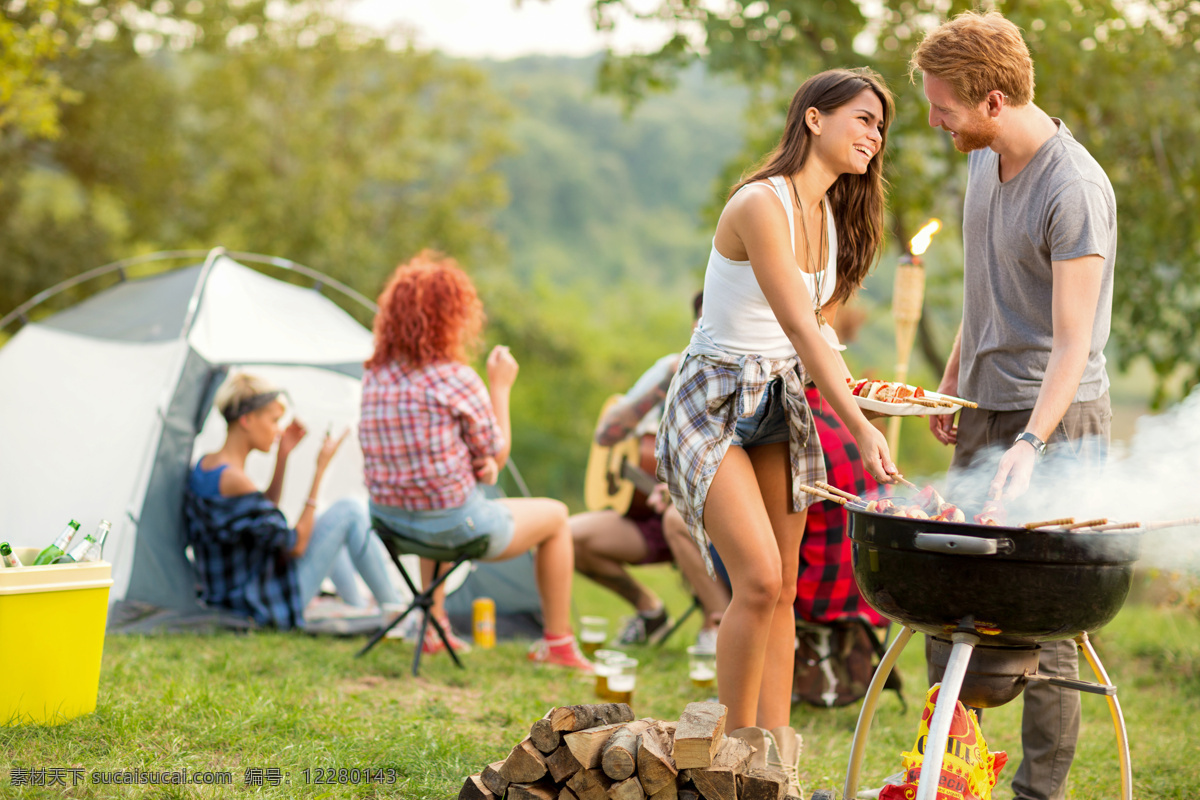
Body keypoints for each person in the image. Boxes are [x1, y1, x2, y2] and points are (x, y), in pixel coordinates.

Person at [655, 68, 899, 797]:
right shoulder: (761, 203)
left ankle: (776, 768)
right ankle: (723, 765)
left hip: (778, 401)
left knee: (784, 589)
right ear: (815, 119)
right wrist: (859, 428)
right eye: (862, 118)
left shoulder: (831, 215)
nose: (873, 136)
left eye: (881, 127)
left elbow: (814, 332)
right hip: (714, 402)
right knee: (756, 579)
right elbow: (796, 322)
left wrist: (866, 392)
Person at [911, 11, 1117, 800]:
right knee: (951, 595)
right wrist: (957, 379)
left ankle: (1039, 792)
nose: (934, 122)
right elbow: (986, 289)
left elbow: (1072, 344)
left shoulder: (1075, 188)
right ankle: (951, 776)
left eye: (944, 108)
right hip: (986, 407)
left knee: (1045, 616)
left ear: (993, 99)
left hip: (1057, 424)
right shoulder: (983, 156)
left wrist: (1029, 445)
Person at [358, 249, 592, 671]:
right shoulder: (454, 377)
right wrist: (499, 387)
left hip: (389, 522)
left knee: (433, 498)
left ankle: (434, 626)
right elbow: (496, 452)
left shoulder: (375, 375)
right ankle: (558, 642)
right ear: (453, 316)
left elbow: (430, 454)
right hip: (454, 527)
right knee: (557, 517)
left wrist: (470, 466)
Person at [571, 291, 731, 650]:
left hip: (704, 517)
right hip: (648, 513)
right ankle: (650, 612)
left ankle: (719, 628)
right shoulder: (667, 368)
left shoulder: (743, 380)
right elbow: (607, 434)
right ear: (695, 326)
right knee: (569, 537)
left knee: (678, 517)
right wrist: (667, 381)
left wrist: (680, 493)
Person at [184, 373, 402, 630]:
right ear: (247, 420)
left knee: (324, 521)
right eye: (274, 420)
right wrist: (320, 471)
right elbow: (295, 545)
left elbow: (260, 512)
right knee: (349, 511)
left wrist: (283, 456)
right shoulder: (234, 479)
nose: (278, 430)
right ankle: (400, 614)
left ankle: (360, 605)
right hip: (261, 600)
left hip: (238, 591)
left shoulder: (209, 465)